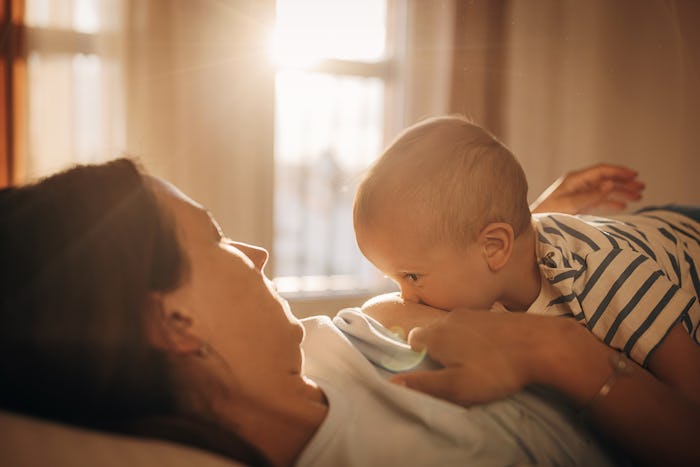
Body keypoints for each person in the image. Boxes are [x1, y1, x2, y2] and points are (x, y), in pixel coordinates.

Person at [0, 158, 626, 467]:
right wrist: (566, 361)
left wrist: (532, 231)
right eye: (215, 238)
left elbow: (451, 301)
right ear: (172, 322)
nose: (257, 252)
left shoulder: (347, 337)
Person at [352, 115, 700, 466]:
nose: (406, 296)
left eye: (411, 276)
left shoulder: (606, 278)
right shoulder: (495, 262)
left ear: (494, 247)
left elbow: (689, 403)